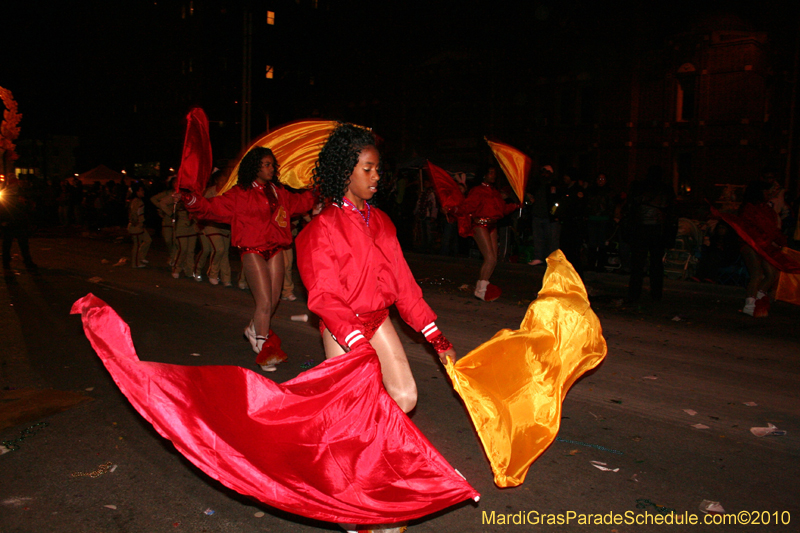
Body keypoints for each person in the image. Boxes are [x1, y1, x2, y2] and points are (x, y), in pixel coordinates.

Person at [296, 123, 457, 532]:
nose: (376, 177)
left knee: (404, 395)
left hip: (377, 318)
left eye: (378, 169)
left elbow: (403, 283)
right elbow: (324, 295)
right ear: (345, 170)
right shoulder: (321, 228)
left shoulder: (381, 221)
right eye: (367, 169)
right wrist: (354, 342)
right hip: (343, 328)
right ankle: (352, 503)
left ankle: (369, 474)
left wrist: (436, 337)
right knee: (353, 416)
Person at [178, 147, 315, 370]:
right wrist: (191, 199)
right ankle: (263, 347)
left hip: (276, 248)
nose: (272, 169)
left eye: (273, 165)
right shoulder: (240, 194)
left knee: (274, 300)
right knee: (264, 302)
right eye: (267, 165)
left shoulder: (279, 191)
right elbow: (212, 208)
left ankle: (253, 328)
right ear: (255, 167)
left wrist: (320, 189)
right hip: (252, 249)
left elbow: (300, 203)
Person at [451, 165, 518, 301]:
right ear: (484, 175)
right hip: (480, 225)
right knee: (490, 258)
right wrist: (454, 209)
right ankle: (481, 290)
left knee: (494, 259)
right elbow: (467, 206)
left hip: (492, 225)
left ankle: (481, 288)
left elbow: (502, 209)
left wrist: (516, 206)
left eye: (494, 173)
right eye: (491, 172)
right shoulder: (477, 191)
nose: (493, 175)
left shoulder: (494, 192)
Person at [624, 165, 677, 302]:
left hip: (640, 228)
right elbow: (672, 213)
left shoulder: (638, 187)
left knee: (638, 264)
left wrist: (629, 229)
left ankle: (634, 293)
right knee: (656, 263)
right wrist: (670, 235)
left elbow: (629, 208)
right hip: (658, 229)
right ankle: (656, 294)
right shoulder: (666, 189)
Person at [737, 180, 783, 317]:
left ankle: (758, 299)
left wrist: (777, 241)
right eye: (767, 190)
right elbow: (750, 228)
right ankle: (750, 304)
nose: (770, 193)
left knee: (771, 274)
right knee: (757, 273)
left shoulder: (768, 209)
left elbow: (773, 229)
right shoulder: (749, 208)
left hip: (765, 245)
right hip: (751, 243)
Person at [194, 170, 233, 287]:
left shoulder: (230, 192)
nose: (223, 182)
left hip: (225, 226)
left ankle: (226, 278)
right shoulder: (208, 192)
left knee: (224, 252)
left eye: (225, 180)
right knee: (219, 249)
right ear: (216, 180)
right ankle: (212, 273)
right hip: (211, 225)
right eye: (221, 180)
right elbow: (200, 207)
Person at [1, 177, 37, 272]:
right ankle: (22, 260)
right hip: (13, 221)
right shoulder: (10, 193)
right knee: (13, 242)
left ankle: (10, 261)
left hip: (16, 221)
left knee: (16, 242)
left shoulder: (15, 192)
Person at [526, 165, 560, 266]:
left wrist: (555, 213)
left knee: (552, 240)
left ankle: (552, 259)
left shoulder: (554, 184)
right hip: (537, 214)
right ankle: (538, 257)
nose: (545, 174)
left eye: (547, 172)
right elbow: (529, 193)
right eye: (543, 172)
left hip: (550, 217)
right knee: (538, 238)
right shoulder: (536, 183)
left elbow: (557, 199)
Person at [150, 176, 177, 266]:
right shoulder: (167, 193)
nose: (176, 184)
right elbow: (153, 199)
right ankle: (172, 255)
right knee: (168, 239)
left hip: (177, 219)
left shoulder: (181, 193)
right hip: (167, 218)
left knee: (176, 240)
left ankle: (174, 257)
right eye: (174, 182)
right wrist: (162, 208)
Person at [126, 182, 151, 268]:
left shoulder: (138, 200)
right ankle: (135, 263)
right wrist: (135, 222)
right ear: (136, 192)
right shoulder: (136, 201)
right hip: (136, 226)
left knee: (148, 240)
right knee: (137, 245)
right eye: (141, 190)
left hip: (139, 225)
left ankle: (140, 257)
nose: (143, 192)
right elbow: (133, 213)